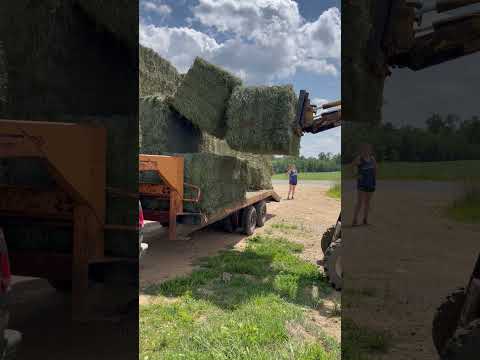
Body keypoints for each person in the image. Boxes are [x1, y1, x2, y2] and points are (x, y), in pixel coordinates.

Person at [352, 143, 376, 226]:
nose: (367, 150)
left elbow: (375, 169)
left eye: (368, 149)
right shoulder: (359, 159)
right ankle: (354, 219)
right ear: (362, 150)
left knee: (367, 202)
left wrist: (374, 179)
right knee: (360, 202)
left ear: (370, 150)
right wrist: (356, 175)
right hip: (362, 183)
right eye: (365, 149)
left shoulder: (372, 159)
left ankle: (365, 219)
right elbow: (352, 166)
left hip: (370, 183)